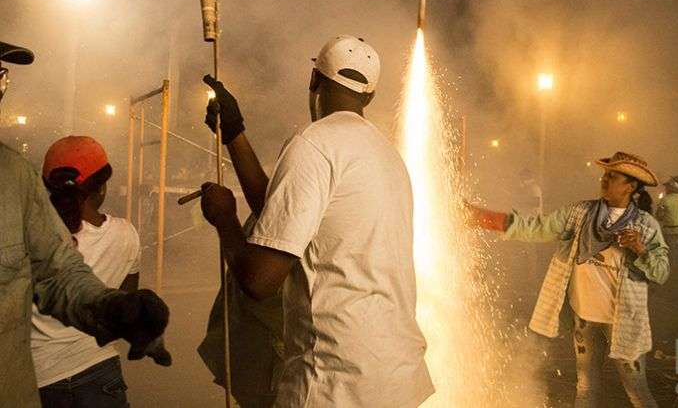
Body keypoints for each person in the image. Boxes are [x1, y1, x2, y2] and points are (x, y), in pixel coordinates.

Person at [199, 35, 434, 407]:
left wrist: (225, 219)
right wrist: (235, 134)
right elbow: (285, 219)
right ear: (368, 96)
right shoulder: (387, 157)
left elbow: (260, 280)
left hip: (335, 383)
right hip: (395, 380)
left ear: (313, 79)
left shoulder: (314, 143)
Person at [0, 41, 171, 408]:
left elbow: (59, 274)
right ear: (102, 185)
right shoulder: (125, 234)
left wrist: (112, 309)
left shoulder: (13, 175)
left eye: (2, 79)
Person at [466, 151, 668, 408]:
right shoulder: (580, 213)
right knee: (585, 388)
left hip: (624, 322)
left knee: (637, 390)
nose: (604, 180)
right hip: (584, 318)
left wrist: (640, 249)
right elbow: (536, 228)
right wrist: (487, 219)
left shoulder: (645, 225)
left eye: (612, 176)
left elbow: (661, 272)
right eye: (605, 174)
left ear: (630, 186)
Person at [31, 136, 141, 407]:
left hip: (37, 380)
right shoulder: (126, 235)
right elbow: (123, 308)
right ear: (101, 188)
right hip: (100, 372)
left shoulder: (29, 237)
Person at [655, 176, 678, 249]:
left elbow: (659, 216)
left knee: (672, 254)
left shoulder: (665, 200)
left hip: (669, 232)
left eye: (667, 187)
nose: (665, 189)